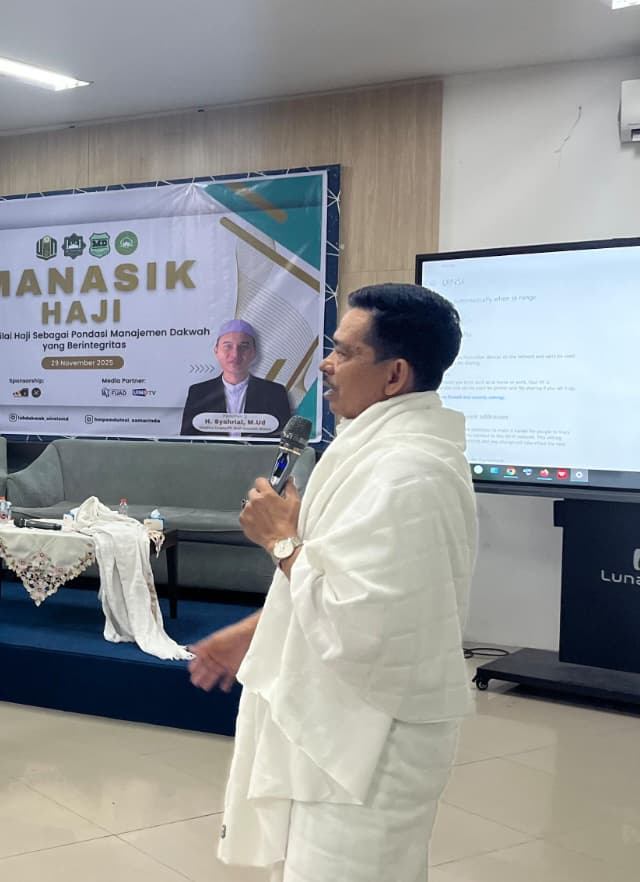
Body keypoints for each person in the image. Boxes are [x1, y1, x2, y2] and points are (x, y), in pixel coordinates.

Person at [189, 284, 477, 882]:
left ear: (394, 375)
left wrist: (281, 540)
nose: (325, 363)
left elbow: (364, 621)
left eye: (344, 352)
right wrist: (258, 630)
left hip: (370, 743)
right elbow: (346, 576)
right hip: (340, 725)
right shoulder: (373, 453)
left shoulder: (409, 473)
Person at [180, 319, 292, 436]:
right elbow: (187, 441)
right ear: (216, 350)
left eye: (243, 347)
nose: (235, 355)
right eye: (228, 346)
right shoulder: (198, 393)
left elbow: (283, 441)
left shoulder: (275, 393)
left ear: (253, 352)